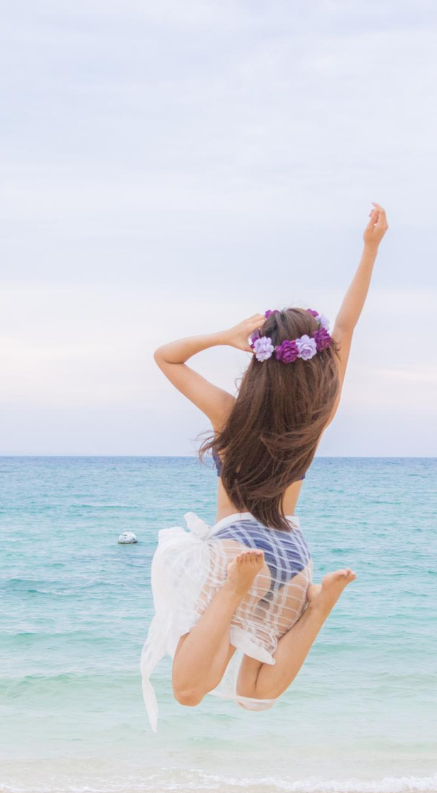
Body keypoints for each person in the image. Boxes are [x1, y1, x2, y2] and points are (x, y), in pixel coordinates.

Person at [139, 204, 390, 728]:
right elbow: (347, 322)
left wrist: (221, 335)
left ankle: (234, 591)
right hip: (294, 553)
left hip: (239, 550)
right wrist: (370, 249)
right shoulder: (318, 416)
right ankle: (317, 608)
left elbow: (166, 356)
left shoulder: (231, 415)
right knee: (255, 692)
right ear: (318, 363)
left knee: (188, 691)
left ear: (257, 360)